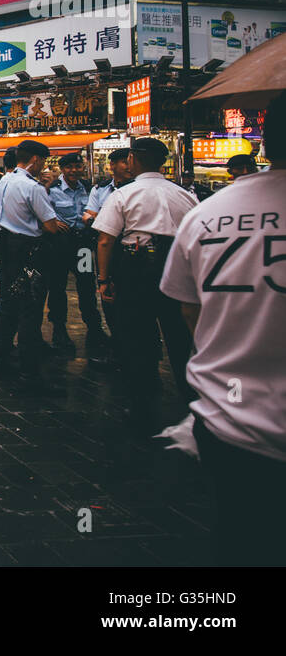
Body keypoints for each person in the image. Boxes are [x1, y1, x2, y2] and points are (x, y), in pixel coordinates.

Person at [159, 95, 286, 565]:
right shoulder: (189, 203)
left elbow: (188, 308)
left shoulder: (208, 214)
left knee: (242, 537)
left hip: (231, 424)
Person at [95, 138, 198, 429]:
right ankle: (191, 399)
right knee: (180, 336)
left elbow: (105, 240)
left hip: (136, 269)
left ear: (132, 159)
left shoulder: (124, 195)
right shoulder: (184, 195)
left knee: (137, 336)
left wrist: (104, 279)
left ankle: (142, 402)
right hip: (178, 267)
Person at [0, 139, 68, 381]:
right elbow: (51, 226)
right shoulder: (31, 187)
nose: (43, 166)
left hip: (3, 249)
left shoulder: (4, 181)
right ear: (35, 160)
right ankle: (28, 370)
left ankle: (1, 358)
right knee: (30, 309)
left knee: (7, 304)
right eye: (42, 161)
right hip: (27, 252)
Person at [43, 152, 108, 361]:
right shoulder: (51, 190)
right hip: (60, 245)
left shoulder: (90, 188)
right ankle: (59, 329)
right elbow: (41, 211)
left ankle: (94, 328)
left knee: (87, 285)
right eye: (69, 167)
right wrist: (52, 221)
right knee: (57, 286)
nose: (74, 171)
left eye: (77, 167)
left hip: (83, 245)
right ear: (62, 169)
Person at [84, 148, 131, 224]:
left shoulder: (140, 188)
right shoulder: (100, 189)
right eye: (125, 163)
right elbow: (90, 214)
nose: (130, 167)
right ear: (112, 165)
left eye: (132, 163)